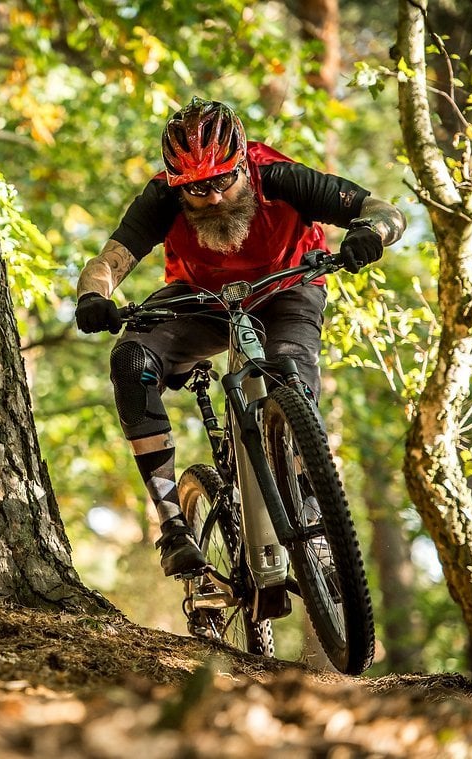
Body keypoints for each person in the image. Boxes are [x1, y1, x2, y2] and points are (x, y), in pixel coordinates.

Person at [74, 98, 405, 578]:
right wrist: (93, 298)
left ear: (242, 166)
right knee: (130, 359)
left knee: (288, 371)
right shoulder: (162, 198)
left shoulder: (278, 175)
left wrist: (370, 232)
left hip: (287, 287)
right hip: (201, 299)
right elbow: (106, 263)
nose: (211, 198)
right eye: (196, 189)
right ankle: (172, 526)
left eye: (223, 181)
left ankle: (314, 512)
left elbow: (381, 209)